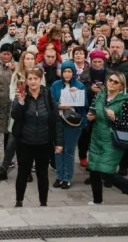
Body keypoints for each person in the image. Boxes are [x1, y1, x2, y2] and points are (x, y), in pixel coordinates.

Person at [86, 72, 128, 205]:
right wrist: (90, 117)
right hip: (96, 137)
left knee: (106, 172)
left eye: (115, 82)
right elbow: (92, 111)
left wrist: (115, 119)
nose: (111, 83)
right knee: (93, 170)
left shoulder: (125, 101)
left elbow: (127, 124)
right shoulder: (100, 95)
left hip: (112, 140)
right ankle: (97, 201)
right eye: (110, 80)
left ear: (121, 86)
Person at [11, 68, 64, 207]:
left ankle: (43, 202)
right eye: (30, 79)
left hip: (44, 141)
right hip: (25, 141)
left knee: (42, 173)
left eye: (36, 78)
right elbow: (14, 116)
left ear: (40, 80)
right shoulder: (22, 94)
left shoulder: (47, 94)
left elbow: (56, 119)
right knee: (22, 172)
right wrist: (21, 102)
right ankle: (19, 201)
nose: (33, 81)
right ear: (26, 81)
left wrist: (58, 142)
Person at [50, 61, 88, 189]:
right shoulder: (56, 85)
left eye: (69, 71)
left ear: (73, 73)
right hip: (58, 121)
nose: (67, 74)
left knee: (69, 150)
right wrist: (59, 106)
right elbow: (50, 102)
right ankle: (59, 176)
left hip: (73, 122)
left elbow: (85, 105)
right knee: (58, 149)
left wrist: (77, 93)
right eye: (65, 71)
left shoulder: (79, 85)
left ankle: (67, 177)